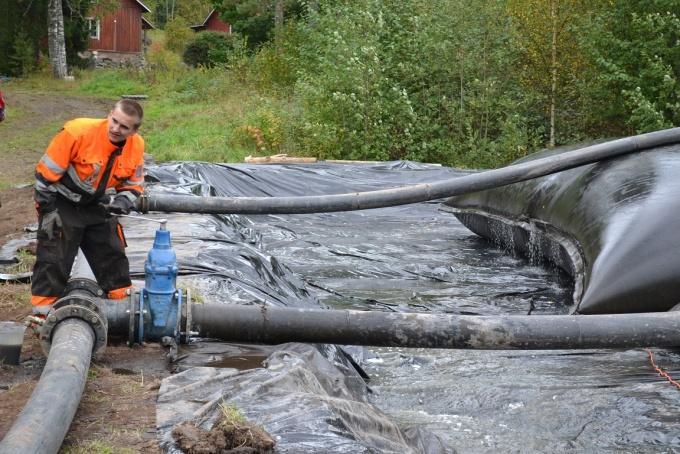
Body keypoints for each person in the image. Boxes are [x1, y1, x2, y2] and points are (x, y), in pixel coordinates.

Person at [30, 99, 145, 315]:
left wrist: (123, 201)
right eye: (114, 121)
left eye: (124, 127)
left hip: (95, 203)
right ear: (109, 114)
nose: (116, 129)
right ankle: (43, 313)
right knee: (54, 255)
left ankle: (122, 309)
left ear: (134, 130)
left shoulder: (136, 145)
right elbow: (44, 177)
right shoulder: (77, 132)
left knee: (112, 251)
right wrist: (47, 210)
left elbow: (134, 185)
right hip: (60, 201)